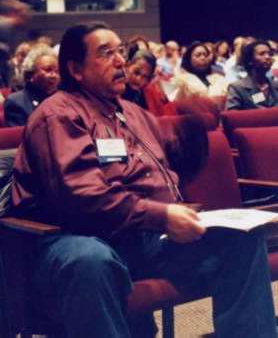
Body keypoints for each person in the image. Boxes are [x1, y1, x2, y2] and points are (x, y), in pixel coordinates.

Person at [12, 22, 277, 338]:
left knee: (240, 242)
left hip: (142, 235)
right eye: (106, 53)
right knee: (90, 261)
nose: (120, 60)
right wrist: (161, 215)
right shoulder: (59, 114)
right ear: (76, 69)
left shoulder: (130, 112)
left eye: (120, 51)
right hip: (76, 237)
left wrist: (190, 133)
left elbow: (167, 165)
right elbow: (82, 195)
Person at [4, 44, 60, 126]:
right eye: (48, 70)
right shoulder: (16, 102)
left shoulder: (63, 99)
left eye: (57, 71)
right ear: (30, 73)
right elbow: (23, 137)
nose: (54, 75)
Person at [226, 40, 278, 110]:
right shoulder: (237, 88)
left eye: (270, 54)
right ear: (250, 61)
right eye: (262, 54)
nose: (267, 57)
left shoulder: (276, 85)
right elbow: (233, 117)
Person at [0, 0, 30, 87]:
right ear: (14, 13)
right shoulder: (4, 26)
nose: (26, 19)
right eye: (23, 15)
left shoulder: (10, 27)